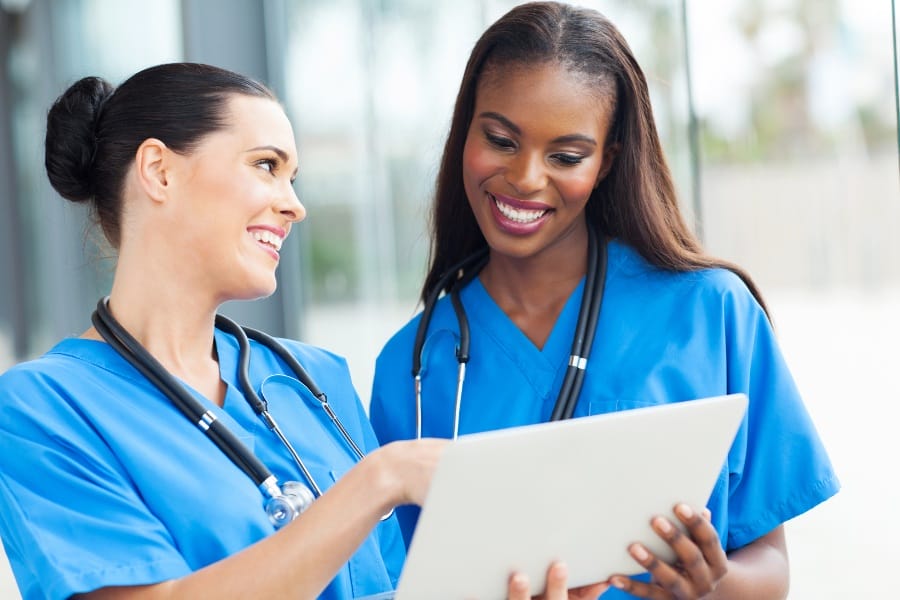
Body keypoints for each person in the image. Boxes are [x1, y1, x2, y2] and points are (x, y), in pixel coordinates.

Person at [0, 62, 604, 600]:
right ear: (159, 170)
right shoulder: (43, 408)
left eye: (293, 177)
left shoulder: (312, 378)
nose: (294, 204)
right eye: (266, 166)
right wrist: (381, 479)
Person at [370, 2, 840, 599]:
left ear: (606, 161)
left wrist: (710, 587)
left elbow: (770, 568)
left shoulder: (711, 313)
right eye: (500, 139)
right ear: (465, 131)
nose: (526, 178)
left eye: (566, 156)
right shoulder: (408, 368)